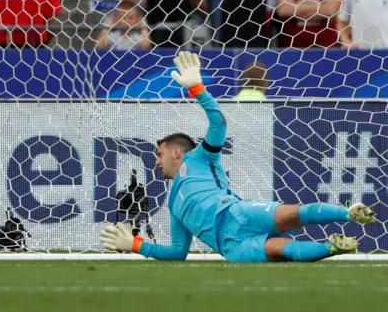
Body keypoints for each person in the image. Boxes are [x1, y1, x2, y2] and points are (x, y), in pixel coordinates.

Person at [99, 51, 377, 263]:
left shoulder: (199, 158)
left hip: (238, 213)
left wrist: (197, 89)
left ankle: (348, 213)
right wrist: (135, 245)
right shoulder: (172, 203)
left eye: (159, 154)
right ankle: (333, 247)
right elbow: (177, 252)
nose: (156, 162)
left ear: (176, 152)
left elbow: (218, 123)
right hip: (230, 245)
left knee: (292, 215)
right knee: (283, 250)